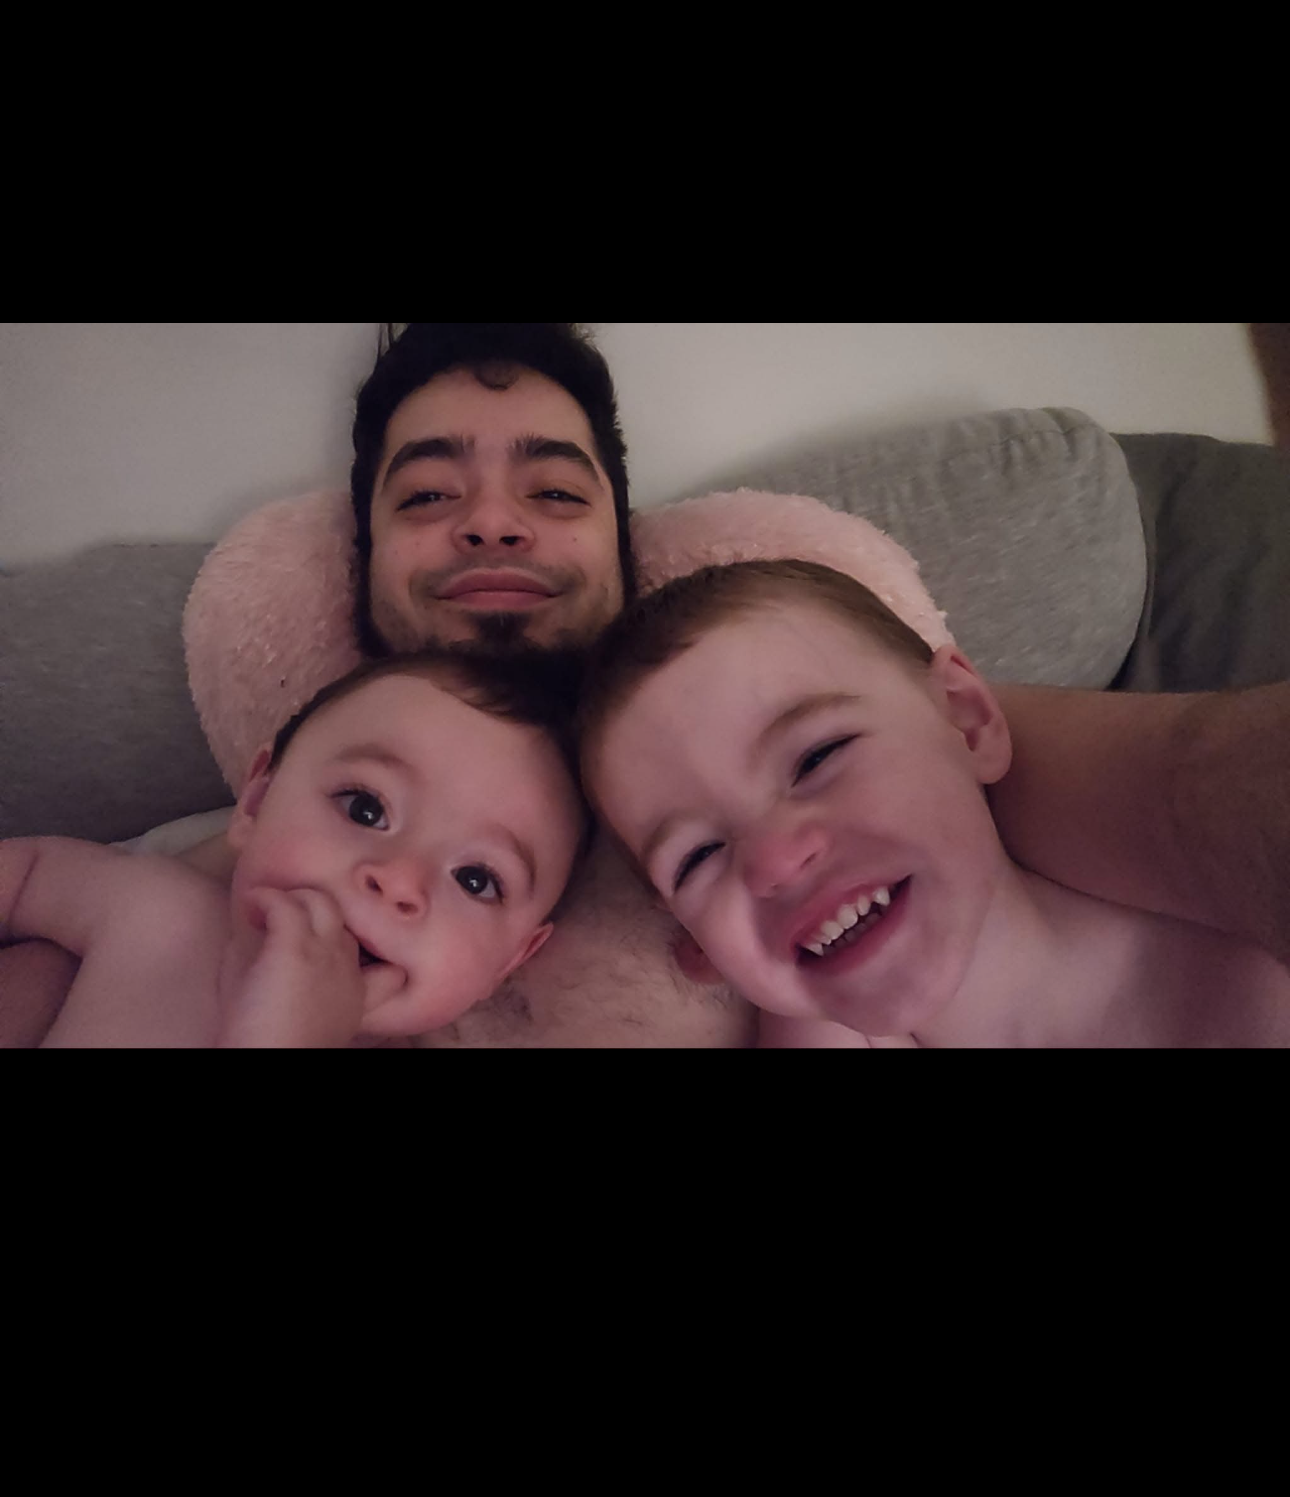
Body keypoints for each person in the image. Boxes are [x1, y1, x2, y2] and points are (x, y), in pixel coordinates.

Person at [3, 320, 1289, 1048]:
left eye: (555, 492)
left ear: (629, 548)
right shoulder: (211, 872)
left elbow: (1182, 788)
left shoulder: (869, 747)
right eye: (429, 494)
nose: (493, 521)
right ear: (362, 556)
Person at [576, 560, 1290, 1048]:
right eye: (698, 857)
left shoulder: (1240, 924)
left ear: (969, 720)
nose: (773, 861)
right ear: (699, 943)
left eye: (817, 758)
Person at [0, 652, 590, 1048]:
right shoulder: (160, 912)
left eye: (476, 879)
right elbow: (26, 875)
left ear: (511, 960)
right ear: (257, 803)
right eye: (365, 808)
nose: (397, 879)